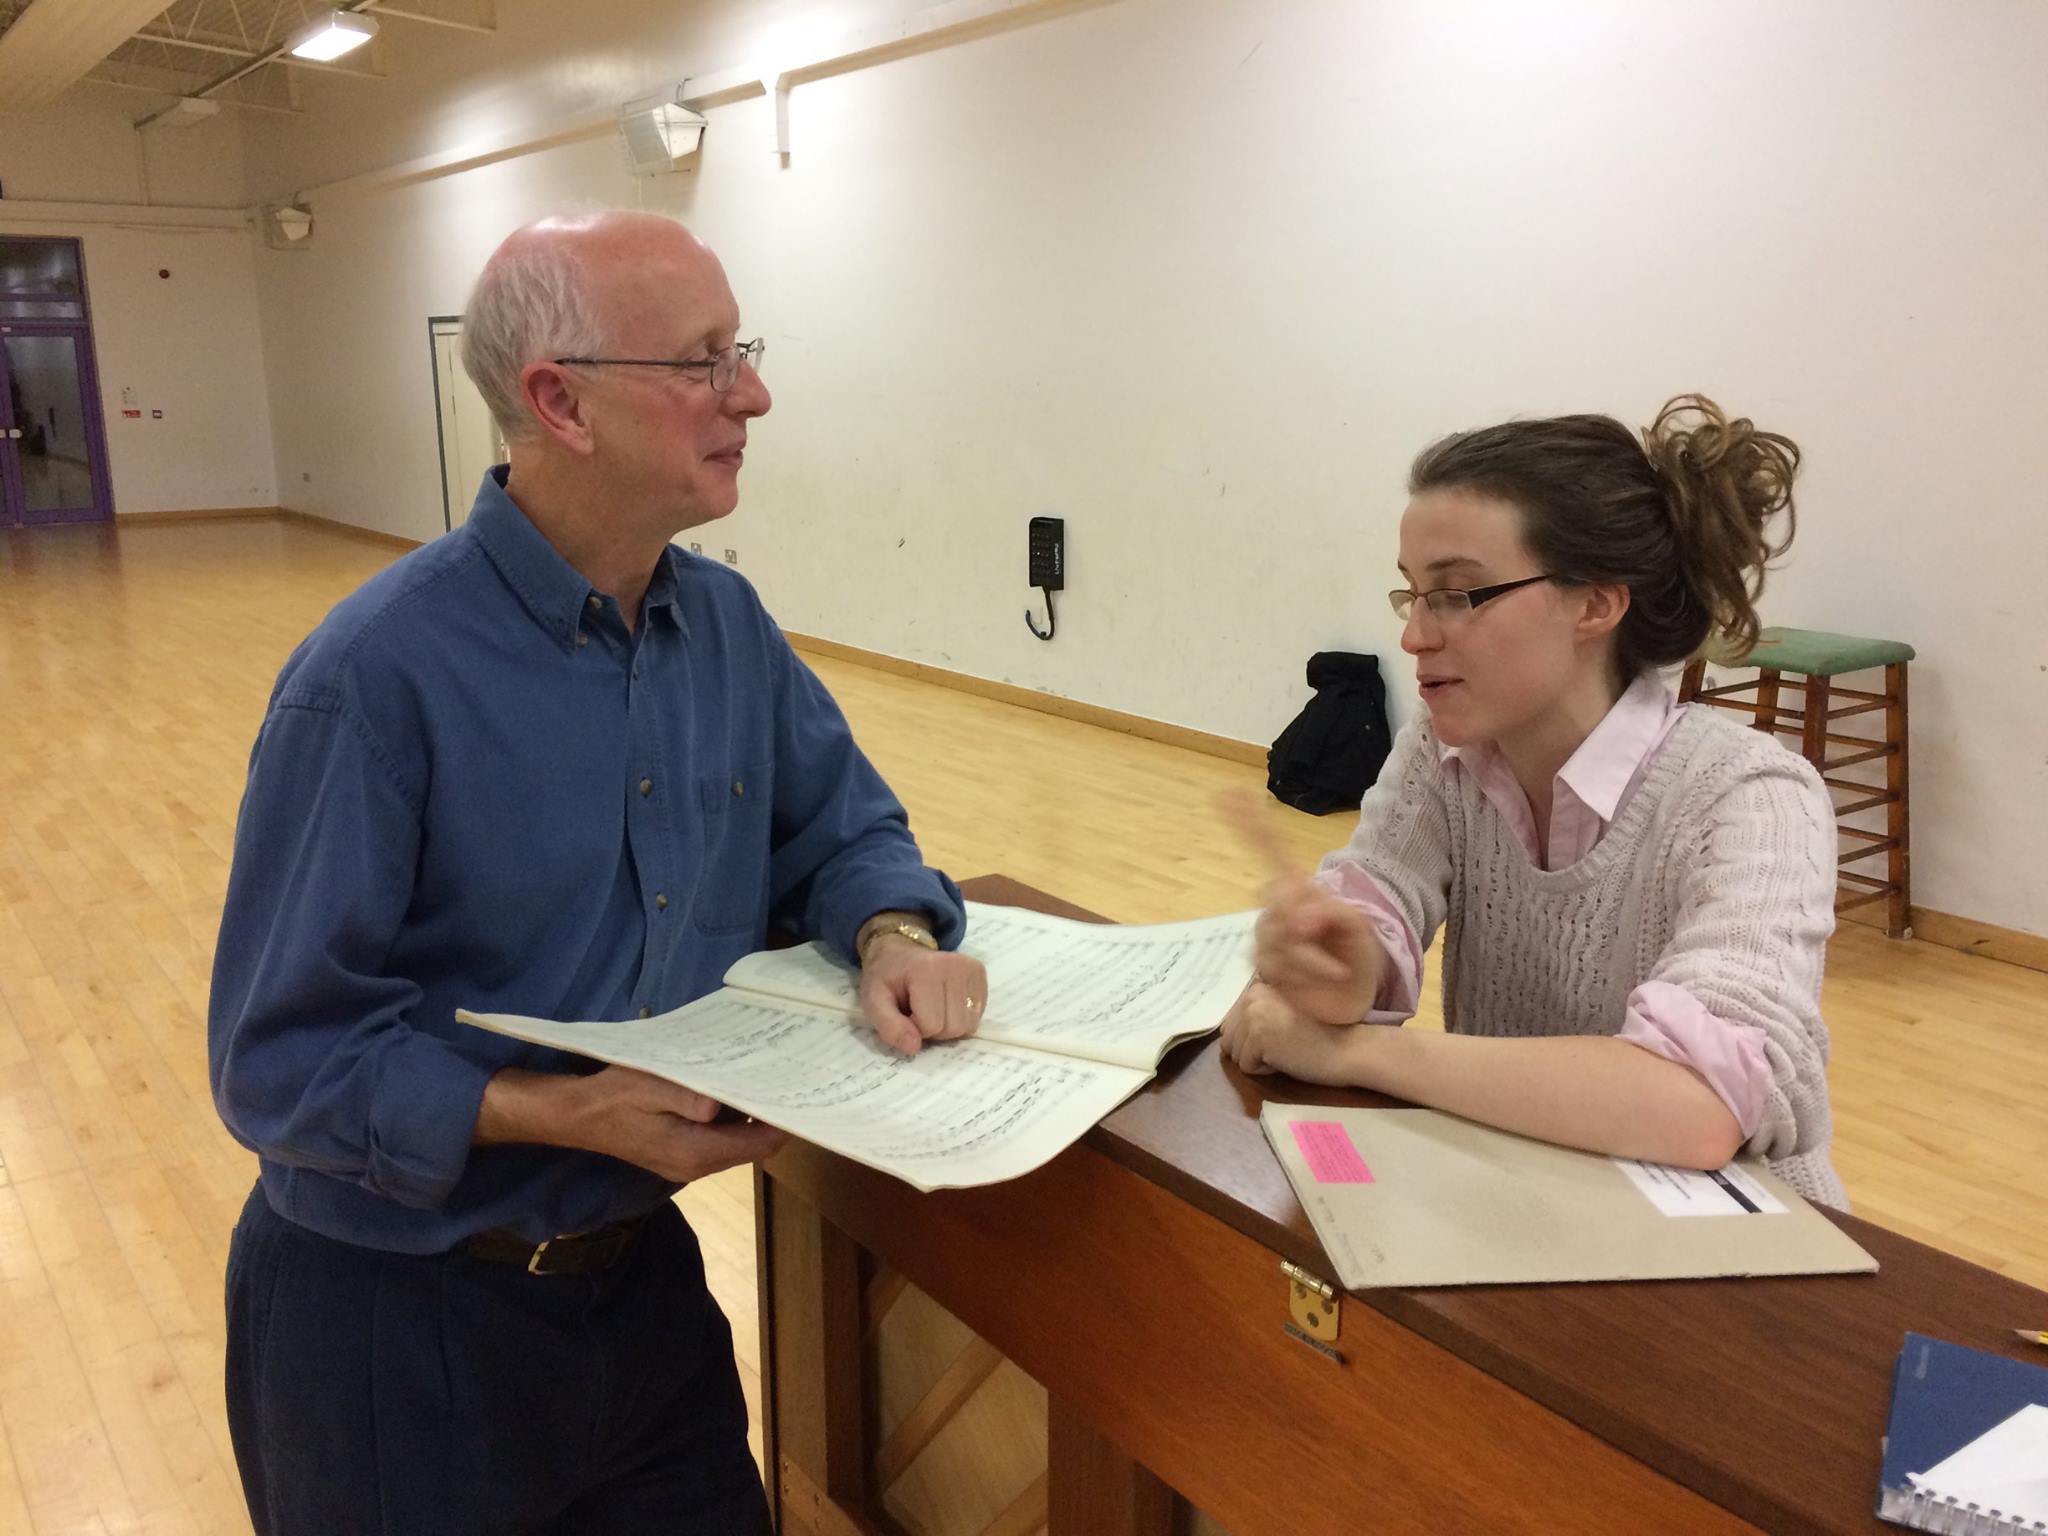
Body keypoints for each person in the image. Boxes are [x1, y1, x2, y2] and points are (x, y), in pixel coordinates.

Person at [208, 211, 988, 1535]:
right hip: (395, 1328)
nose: (753, 392)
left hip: (637, 1299)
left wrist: (895, 935)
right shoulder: (372, 681)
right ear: (557, 400)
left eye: (739, 349)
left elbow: (843, 831)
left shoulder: (725, 627)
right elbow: (277, 1062)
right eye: (700, 361)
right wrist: (556, 1113)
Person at [1222, 394, 1846, 1209]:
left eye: (1457, 594)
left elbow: (1694, 1106)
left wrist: (1355, 1056)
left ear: (1596, 603)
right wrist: (1341, 964)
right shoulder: (1440, 752)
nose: (1415, 635)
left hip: (1737, 1253)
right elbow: (1377, 905)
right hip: (1531, 1196)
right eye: (1412, 594)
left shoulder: (1753, 797)